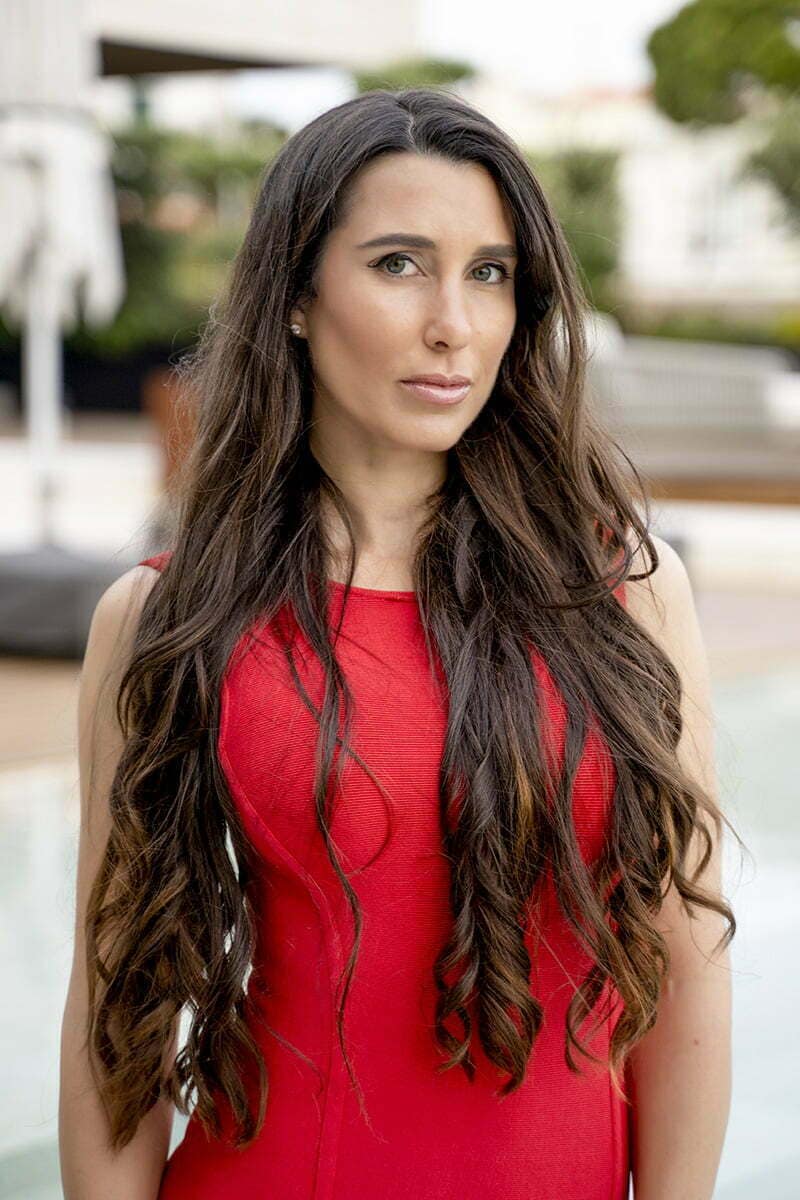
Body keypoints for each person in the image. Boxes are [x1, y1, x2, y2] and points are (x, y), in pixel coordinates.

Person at [59, 86, 739, 1200]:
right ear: (292, 294)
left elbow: (686, 964)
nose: (452, 325)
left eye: (488, 273)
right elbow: (115, 1016)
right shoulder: (165, 622)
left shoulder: (623, 593)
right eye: (395, 264)